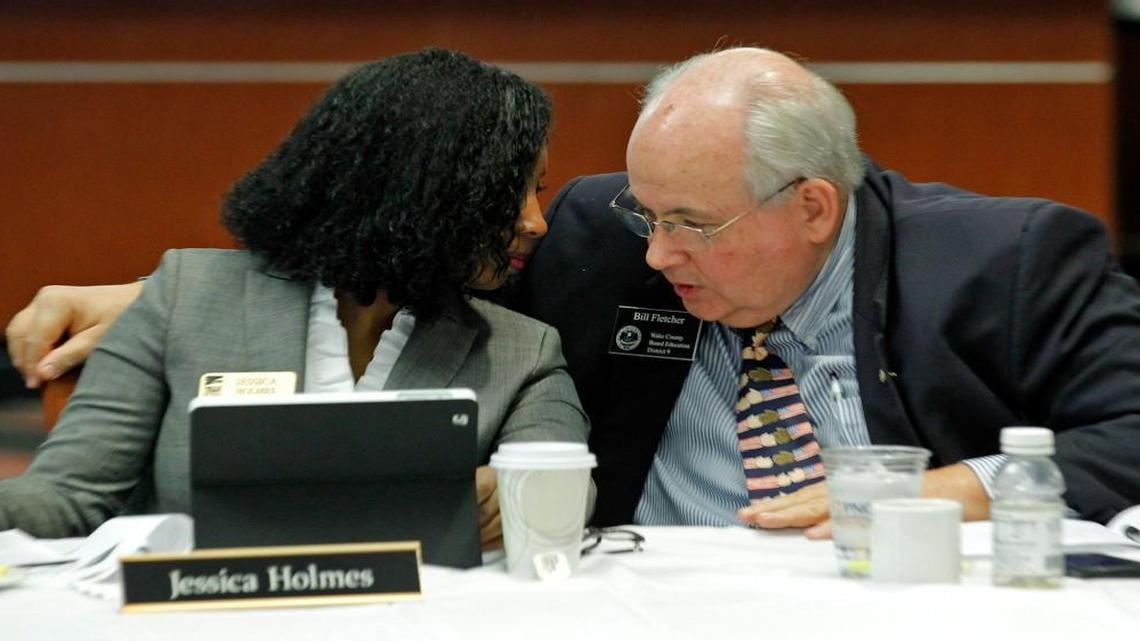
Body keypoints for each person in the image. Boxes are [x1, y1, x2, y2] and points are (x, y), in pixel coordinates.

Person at [10, 47, 1140, 533]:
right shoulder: (614, 231)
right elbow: (374, 250)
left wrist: (956, 489)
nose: (653, 254)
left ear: (813, 208)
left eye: (692, 225)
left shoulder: (1010, 260)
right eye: (647, 215)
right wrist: (148, 291)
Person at [0, 48, 588, 544]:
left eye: (535, 194)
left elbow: (569, 485)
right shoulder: (185, 298)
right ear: (420, 190)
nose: (535, 223)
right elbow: (67, 496)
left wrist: (519, 492)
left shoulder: (522, 350)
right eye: (508, 194)